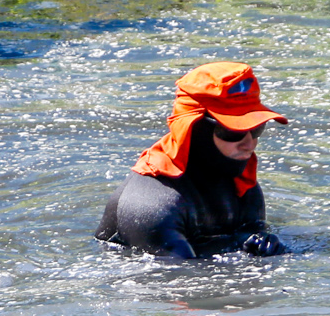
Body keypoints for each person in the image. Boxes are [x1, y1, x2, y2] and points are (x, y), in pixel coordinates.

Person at [97, 62, 291, 260]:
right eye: (234, 131)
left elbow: (252, 236)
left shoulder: (242, 184)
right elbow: (184, 278)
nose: (249, 143)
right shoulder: (152, 204)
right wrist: (236, 244)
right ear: (194, 130)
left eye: (257, 128)